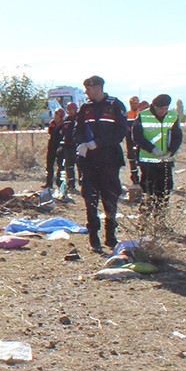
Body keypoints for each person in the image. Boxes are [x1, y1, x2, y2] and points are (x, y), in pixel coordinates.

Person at [73, 76, 129, 252]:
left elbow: (121, 131)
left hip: (109, 160)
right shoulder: (86, 108)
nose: (87, 92)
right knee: (90, 198)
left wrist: (98, 143)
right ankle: (93, 237)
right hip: (89, 161)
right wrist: (81, 143)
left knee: (110, 198)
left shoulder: (115, 105)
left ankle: (110, 235)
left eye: (89, 89)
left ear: (97, 87)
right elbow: (78, 129)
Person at [132, 94, 183, 209]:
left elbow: (177, 137)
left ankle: (160, 216)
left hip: (165, 160)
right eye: (160, 108)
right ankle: (145, 217)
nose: (163, 111)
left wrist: (171, 151)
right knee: (148, 190)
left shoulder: (173, 116)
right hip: (147, 161)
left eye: (165, 108)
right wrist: (152, 149)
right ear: (154, 106)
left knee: (165, 190)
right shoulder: (143, 115)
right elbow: (137, 137)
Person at [58, 101, 79, 193]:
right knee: (69, 166)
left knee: (80, 165)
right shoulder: (66, 119)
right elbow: (62, 131)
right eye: (68, 109)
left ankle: (83, 183)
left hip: (77, 145)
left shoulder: (79, 119)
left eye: (72, 109)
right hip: (67, 145)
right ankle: (71, 185)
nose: (70, 111)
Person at [43, 108, 65, 189]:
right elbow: (51, 133)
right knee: (49, 165)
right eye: (55, 115)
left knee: (60, 165)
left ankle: (60, 183)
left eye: (57, 115)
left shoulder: (64, 124)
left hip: (60, 146)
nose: (55, 117)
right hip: (52, 146)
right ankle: (49, 183)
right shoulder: (52, 123)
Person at [125, 96, 142, 185]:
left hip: (140, 141)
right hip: (130, 140)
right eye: (132, 103)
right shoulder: (126, 114)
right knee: (132, 160)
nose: (134, 105)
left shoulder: (141, 114)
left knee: (141, 160)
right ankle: (135, 179)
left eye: (136, 103)